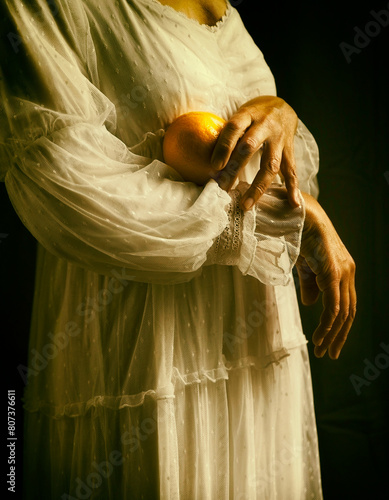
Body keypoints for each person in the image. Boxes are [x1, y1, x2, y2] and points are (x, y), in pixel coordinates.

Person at [0, 0, 356, 498]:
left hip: (257, 353)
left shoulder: (222, 8)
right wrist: (289, 219)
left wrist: (281, 115)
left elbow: (278, 172)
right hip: (152, 356)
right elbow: (64, 184)